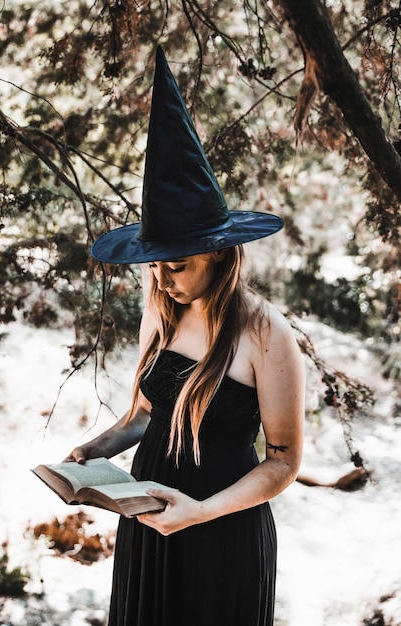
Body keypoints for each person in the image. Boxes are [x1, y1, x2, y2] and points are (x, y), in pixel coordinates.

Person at [64, 47, 305, 626]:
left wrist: (199, 512)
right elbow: (148, 415)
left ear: (220, 254)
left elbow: (284, 460)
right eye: (154, 264)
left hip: (221, 528)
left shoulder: (267, 334)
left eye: (177, 264)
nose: (162, 278)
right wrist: (93, 453)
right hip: (150, 517)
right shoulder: (162, 310)